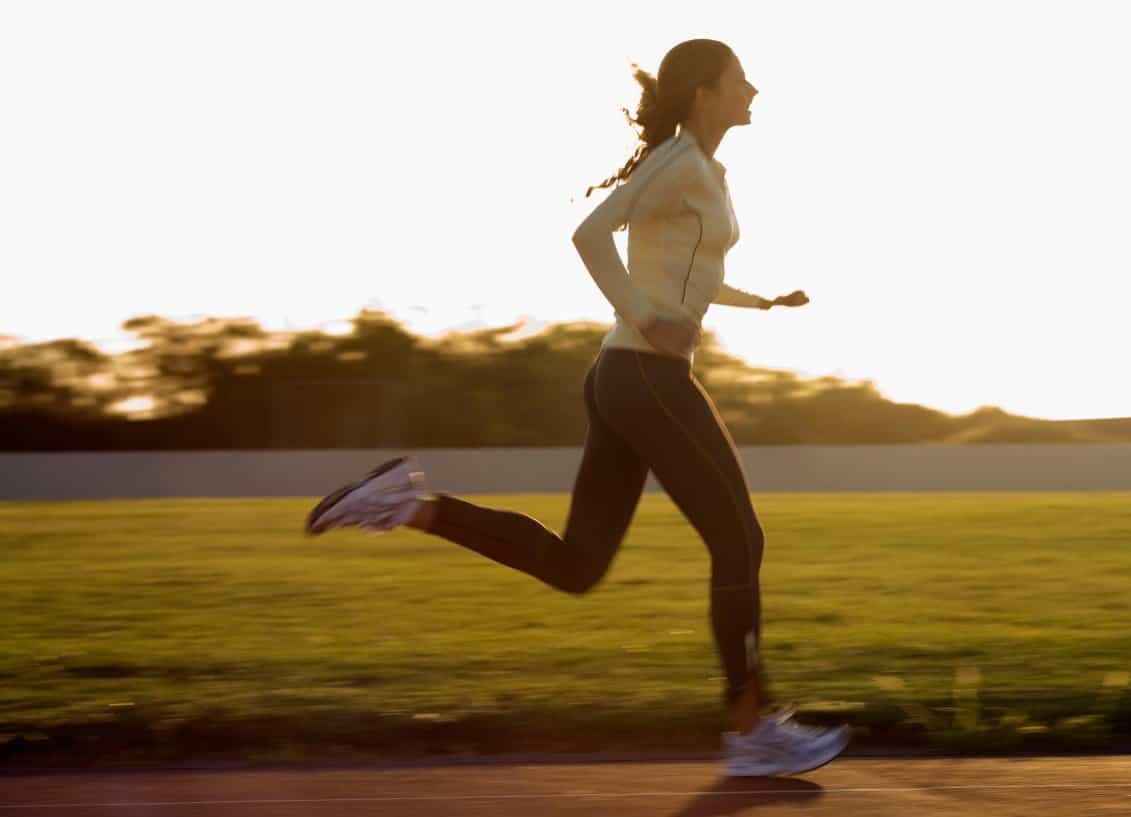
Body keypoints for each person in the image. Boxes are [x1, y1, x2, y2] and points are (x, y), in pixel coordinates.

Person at [305, 38, 850, 777]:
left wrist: (761, 302)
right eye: (739, 79)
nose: (753, 89)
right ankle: (751, 728)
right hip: (646, 375)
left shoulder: (704, 170)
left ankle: (405, 505)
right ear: (703, 93)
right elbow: (591, 234)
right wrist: (642, 312)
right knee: (739, 537)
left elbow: (689, 271)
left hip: (627, 377)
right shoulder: (681, 162)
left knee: (577, 564)